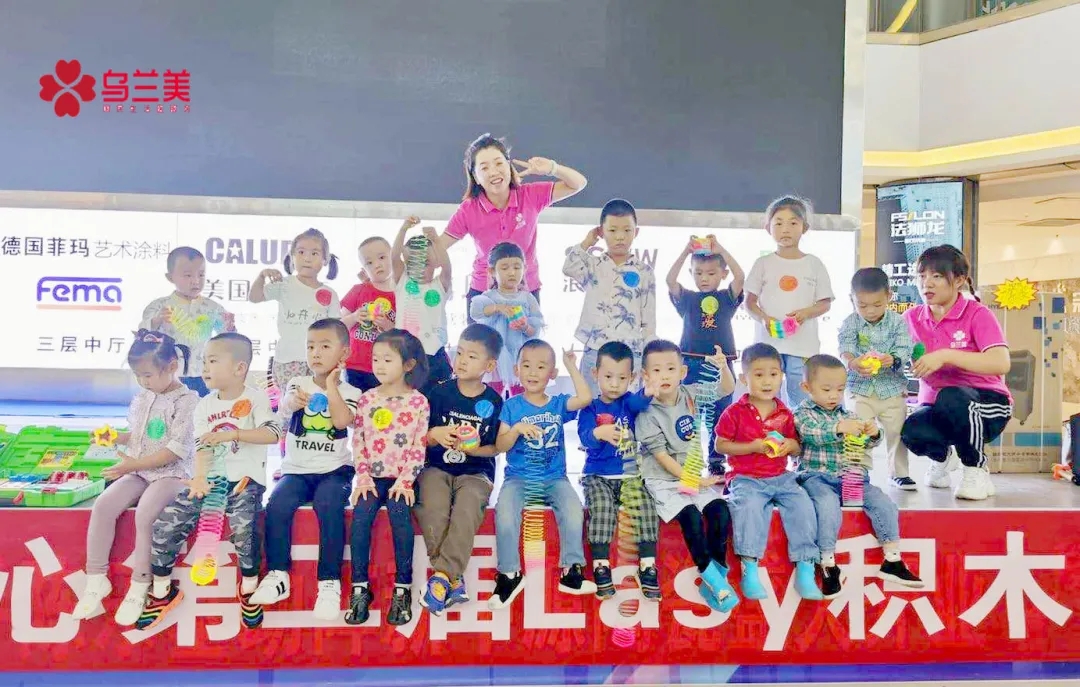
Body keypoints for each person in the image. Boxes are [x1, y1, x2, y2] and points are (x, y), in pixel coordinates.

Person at [137, 333, 280, 630]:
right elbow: (202, 446)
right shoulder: (204, 406)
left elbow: (272, 434)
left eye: (213, 361)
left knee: (245, 529)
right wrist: (199, 478)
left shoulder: (255, 398)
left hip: (244, 481)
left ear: (239, 368)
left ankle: (249, 588)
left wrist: (234, 434)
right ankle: (162, 590)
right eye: (204, 361)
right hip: (209, 482)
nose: (205, 368)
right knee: (167, 523)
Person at [71, 330, 197, 626]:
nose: (143, 381)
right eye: (138, 376)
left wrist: (131, 465)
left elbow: (174, 451)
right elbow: (139, 437)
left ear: (172, 367)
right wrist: (116, 437)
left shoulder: (188, 401)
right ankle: (96, 579)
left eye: (148, 375)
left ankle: (140, 585)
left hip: (171, 474)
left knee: (145, 514)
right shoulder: (144, 396)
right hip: (140, 470)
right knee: (104, 505)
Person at [248, 319, 360, 620]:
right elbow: (283, 411)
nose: (316, 353)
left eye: (325, 346)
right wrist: (291, 401)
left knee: (329, 505)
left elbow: (342, 421)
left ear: (343, 353)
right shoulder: (297, 382)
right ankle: (277, 575)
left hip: (335, 470)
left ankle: (329, 583)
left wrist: (331, 387)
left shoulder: (351, 391)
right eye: (311, 347)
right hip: (296, 470)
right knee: (277, 504)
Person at [793, 354, 924, 599]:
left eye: (840, 389)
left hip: (851, 477)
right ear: (806, 387)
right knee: (827, 506)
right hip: (817, 477)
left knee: (884, 503)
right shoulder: (802, 413)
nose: (834, 395)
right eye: (826, 389)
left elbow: (867, 443)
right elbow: (810, 433)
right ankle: (828, 563)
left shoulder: (848, 414)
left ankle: (892, 559)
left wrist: (873, 433)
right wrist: (838, 428)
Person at [488, 341, 596, 609]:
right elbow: (500, 446)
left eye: (541, 367)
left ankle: (571, 571)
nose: (533, 372)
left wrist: (571, 366)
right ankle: (509, 575)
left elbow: (585, 398)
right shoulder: (511, 406)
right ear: (516, 370)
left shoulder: (558, 404)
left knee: (573, 510)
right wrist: (516, 429)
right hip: (518, 478)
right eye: (526, 366)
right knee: (504, 514)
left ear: (552, 373)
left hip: (554, 478)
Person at [900, 245, 1012, 501]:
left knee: (953, 397)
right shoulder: (911, 318)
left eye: (937, 276)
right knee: (912, 429)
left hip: (987, 405)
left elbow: (1001, 363)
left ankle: (975, 469)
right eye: (921, 276)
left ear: (959, 280)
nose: (927, 283)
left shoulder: (977, 314)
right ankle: (942, 458)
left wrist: (946, 355)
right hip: (936, 405)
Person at [437, 133, 587, 320]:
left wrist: (552, 168)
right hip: (484, 294)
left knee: (526, 339)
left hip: (525, 291)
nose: (494, 172)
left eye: (499, 163)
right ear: (475, 177)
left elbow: (578, 183)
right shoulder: (469, 209)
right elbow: (439, 247)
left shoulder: (530, 195)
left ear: (509, 166)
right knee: (479, 341)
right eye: (484, 167)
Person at [715, 343, 822, 602]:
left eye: (773, 374)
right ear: (744, 378)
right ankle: (750, 569)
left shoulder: (785, 413)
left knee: (803, 505)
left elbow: (797, 447)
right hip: (746, 477)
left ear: (782, 376)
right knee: (749, 508)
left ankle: (805, 569)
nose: (767, 381)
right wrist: (751, 447)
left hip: (781, 477)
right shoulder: (734, 412)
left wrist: (789, 445)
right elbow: (720, 445)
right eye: (759, 374)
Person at [637, 340, 738, 613]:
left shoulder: (690, 393)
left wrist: (723, 367)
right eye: (656, 370)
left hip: (692, 475)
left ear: (682, 372)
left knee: (720, 511)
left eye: (671, 369)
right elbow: (662, 457)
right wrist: (695, 480)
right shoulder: (646, 412)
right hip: (663, 479)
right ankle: (711, 577)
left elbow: (726, 388)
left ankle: (717, 575)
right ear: (645, 376)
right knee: (691, 516)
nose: (664, 375)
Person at [414, 324, 505, 616]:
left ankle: (441, 577)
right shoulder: (439, 393)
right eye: (460, 352)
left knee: (467, 509)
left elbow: (495, 448)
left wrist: (474, 449)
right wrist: (436, 434)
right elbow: (419, 436)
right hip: (436, 467)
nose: (462, 360)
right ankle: (451, 579)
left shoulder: (494, 402)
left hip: (476, 472)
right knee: (433, 507)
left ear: (489, 366)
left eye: (472, 356)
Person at [346, 330, 430, 626]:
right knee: (361, 516)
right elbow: (358, 441)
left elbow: (419, 445)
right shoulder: (367, 399)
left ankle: (402, 588)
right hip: (372, 477)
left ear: (408, 364)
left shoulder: (418, 402)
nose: (379, 365)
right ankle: (359, 588)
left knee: (399, 513)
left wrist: (405, 481)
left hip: (402, 479)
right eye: (375, 359)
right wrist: (363, 477)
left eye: (387, 359)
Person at [576, 341, 660, 600]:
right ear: (595, 374)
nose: (614, 384)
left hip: (629, 474)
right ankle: (601, 566)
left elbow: (640, 402)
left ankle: (648, 566)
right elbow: (584, 437)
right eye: (608, 377)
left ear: (631, 378)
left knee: (646, 506)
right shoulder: (589, 407)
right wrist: (598, 433)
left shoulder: (627, 403)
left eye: (622, 378)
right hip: (597, 475)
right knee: (602, 508)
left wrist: (650, 390)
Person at [744, 196, 834, 407]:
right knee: (765, 398)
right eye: (778, 223)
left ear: (804, 227)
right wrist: (764, 318)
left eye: (793, 223)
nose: (785, 229)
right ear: (768, 228)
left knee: (801, 400)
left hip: (802, 346)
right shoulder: (763, 263)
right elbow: (749, 303)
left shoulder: (814, 264)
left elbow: (825, 303)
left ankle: (799, 429)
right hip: (768, 345)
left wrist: (806, 313)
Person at [666, 234, 745, 475]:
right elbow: (670, 280)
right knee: (689, 414)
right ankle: (688, 460)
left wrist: (721, 249)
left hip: (721, 365)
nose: (704, 278)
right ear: (691, 273)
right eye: (698, 273)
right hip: (690, 364)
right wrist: (685, 251)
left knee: (720, 415)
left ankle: (716, 461)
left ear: (723, 274)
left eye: (711, 273)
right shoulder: (688, 299)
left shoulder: (726, 298)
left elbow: (740, 277)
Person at [563, 199, 656, 396]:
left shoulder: (644, 271)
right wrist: (587, 242)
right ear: (601, 231)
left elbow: (649, 319)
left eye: (627, 230)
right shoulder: (593, 265)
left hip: (630, 353)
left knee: (627, 409)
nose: (620, 237)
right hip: (595, 350)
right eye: (612, 230)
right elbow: (569, 267)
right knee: (589, 404)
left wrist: (649, 359)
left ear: (636, 232)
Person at [838, 268, 916, 490]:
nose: (870, 311)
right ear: (852, 300)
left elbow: (905, 347)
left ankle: (899, 473)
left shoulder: (898, 322)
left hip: (892, 390)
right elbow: (845, 348)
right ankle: (857, 473)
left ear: (889, 296)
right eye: (862, 306)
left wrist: (893, 358)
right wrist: (853, 362)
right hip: (859, 389)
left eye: (877, 304)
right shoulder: (850, 322)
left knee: (896, 432)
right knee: (858, 431)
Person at [250, 228, 342, 401]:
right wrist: (262, 276)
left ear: (325, 259)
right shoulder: (284, 284)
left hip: (320, 360)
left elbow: (335, 330)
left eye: (314, 253)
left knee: (317, 403)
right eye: (301, 252)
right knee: (291, 404)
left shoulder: (330, 293)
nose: (307, 258)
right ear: (292, 257)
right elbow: (254, 297)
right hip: (288, 358)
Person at [140, 246, 236, 396]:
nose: (196, 281)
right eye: (188, 275)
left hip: (202, 373)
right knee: (168, 407)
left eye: (201, 275)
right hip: (168, 374)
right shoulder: (159, 306)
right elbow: (142, 334)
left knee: (201, 407)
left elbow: (226, 337)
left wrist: (230, 327)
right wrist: (157, 321)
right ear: (170, 277)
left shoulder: (213, 308)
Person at [469, 242, 544, 396]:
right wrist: (498, 308)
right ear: (492, 271)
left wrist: (525, 327)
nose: (512, 273)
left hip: (520, 355)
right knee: (492, 393)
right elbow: (476, 312)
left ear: (524, 269)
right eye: (504, 268)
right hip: (495, 356)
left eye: (517, 267)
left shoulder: (527, 298)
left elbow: (535, 330)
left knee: (521, 392)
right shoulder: (489, 296)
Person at [391, 219, 454, 393]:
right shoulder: (403, 282)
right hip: (406, 354)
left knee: (437, 399)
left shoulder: (439, 285)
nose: (419, 269)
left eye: (425, 263)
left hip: (435, 355)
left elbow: (447, 266)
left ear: (435, 262)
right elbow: (394, 257)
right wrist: (403, 229)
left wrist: (436, 241)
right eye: (413, 263)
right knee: (408, 399)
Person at [341, 233, 400, 392]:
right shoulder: (358, 290)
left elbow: (405, 335)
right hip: (355, 366)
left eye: (382, 257)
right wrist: (354, 317)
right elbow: (338, 326)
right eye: (369, 262)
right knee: (355, 404)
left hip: (387, 367)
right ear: (364, 270)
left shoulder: (401, 295)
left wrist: (389, 327)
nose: (377, 265)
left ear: (393, 257)